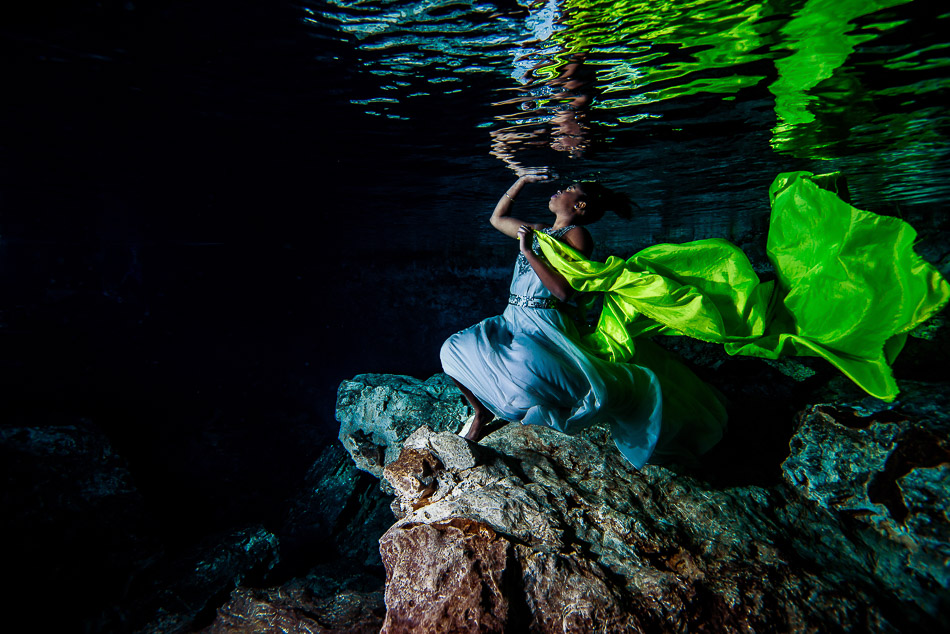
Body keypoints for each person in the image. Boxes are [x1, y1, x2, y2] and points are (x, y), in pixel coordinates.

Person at [440, 175, 671, 469]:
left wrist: (526, 251)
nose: (560, 190)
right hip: (511, 316)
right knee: (452, 350)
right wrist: (521, 180)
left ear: (579, 204)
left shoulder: (578, 235)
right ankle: (480, 413)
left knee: (523, 376)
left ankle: (523, 405)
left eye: (569, 189)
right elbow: (497, 219)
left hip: (543, 321)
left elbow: (562, 291)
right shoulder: (537, 230)